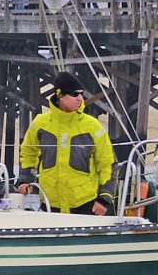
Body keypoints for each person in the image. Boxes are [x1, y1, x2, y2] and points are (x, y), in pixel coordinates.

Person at [17, 71, 116, 215]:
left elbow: (108, 163)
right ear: (60, 95)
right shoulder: (40, 123)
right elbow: (28, 152)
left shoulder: (93, 126)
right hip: (49, 201)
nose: (80, 98)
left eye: (82, 94)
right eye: (75, 94)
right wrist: (25, 179)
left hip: (85, 204)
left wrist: (104, 197)